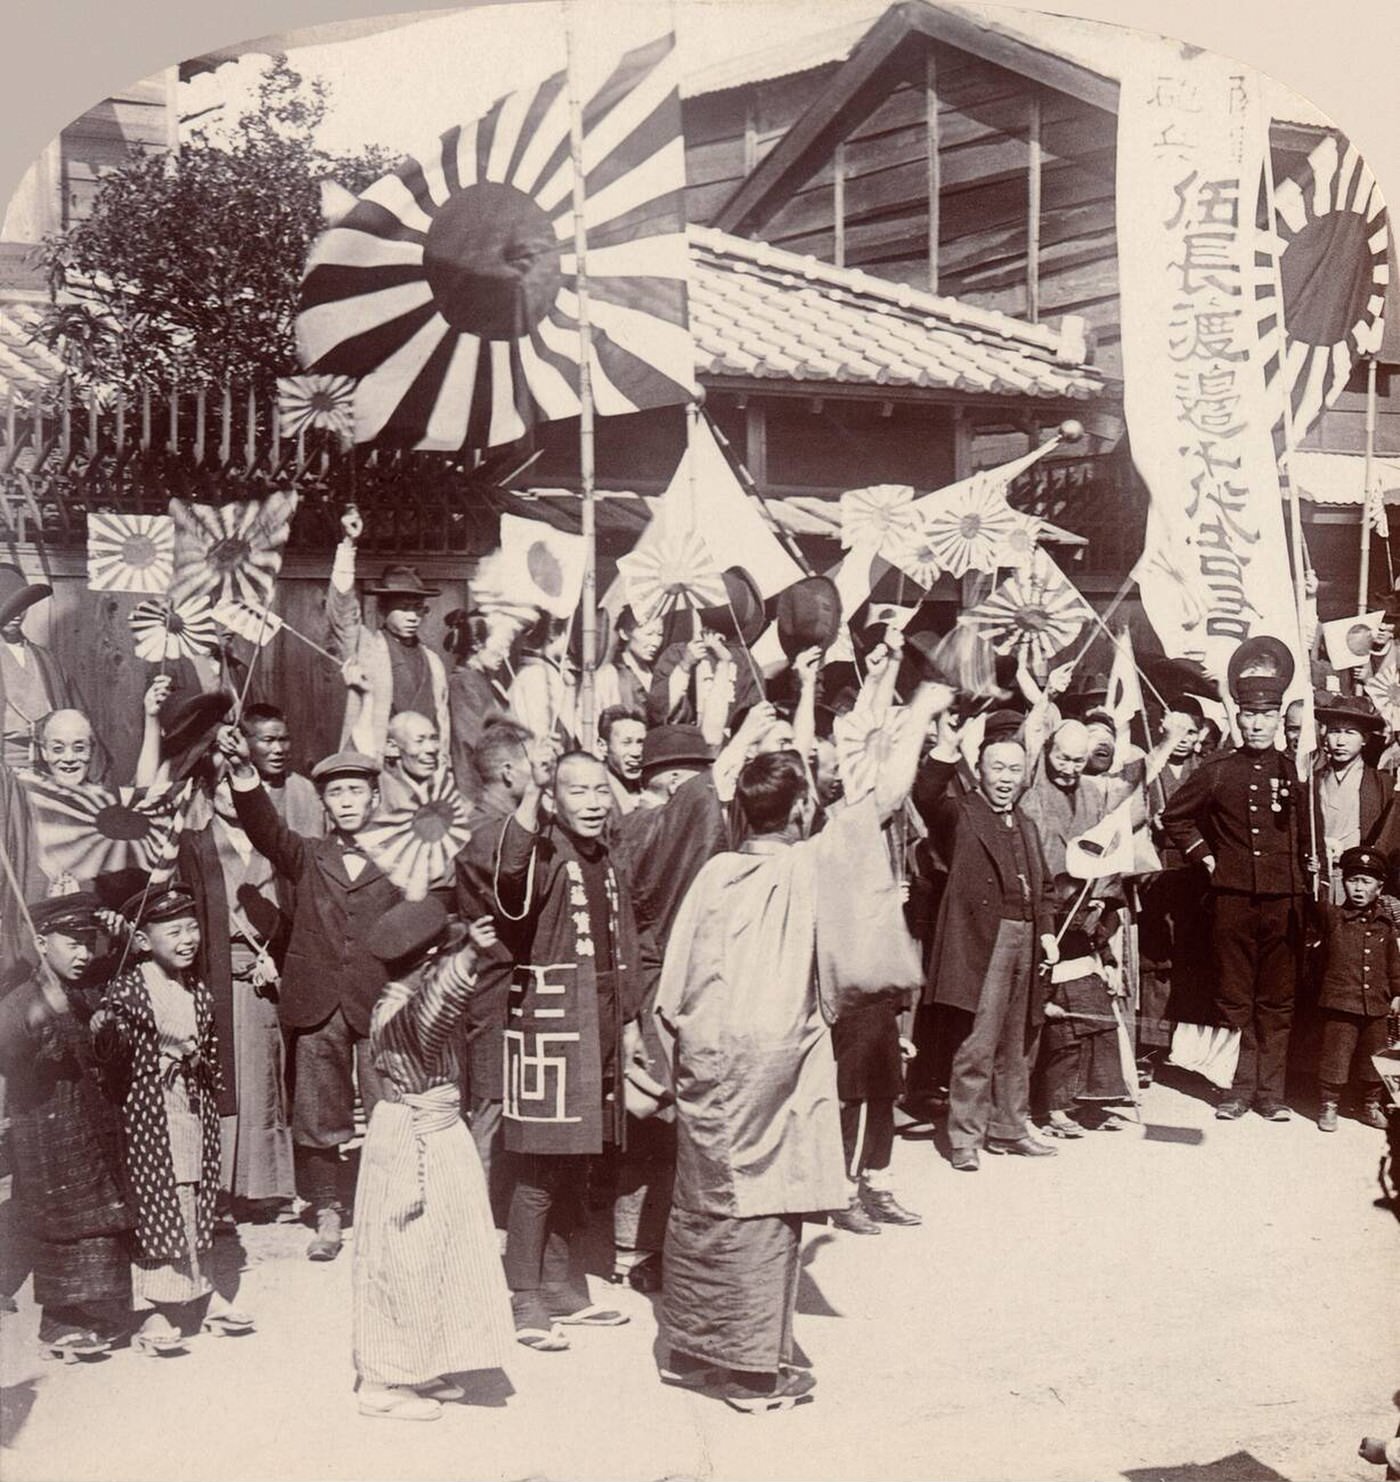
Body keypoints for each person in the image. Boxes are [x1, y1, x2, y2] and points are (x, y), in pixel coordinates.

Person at [655, 681, 947, 1412]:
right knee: (765, 1206)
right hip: (773, 1063)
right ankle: (754, 1372)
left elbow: (671, 987)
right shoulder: (809, 864)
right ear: (797, 811)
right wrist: (919, 713)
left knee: (703, 1200)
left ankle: (694, 1350)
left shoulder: (715, 872)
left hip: (702, 1057)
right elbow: (881, 799)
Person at [457, 748, 644, 1349]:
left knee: (575, 1161)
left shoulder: (606, 856)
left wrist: (631, 1022)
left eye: (600, 791)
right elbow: (509, 874)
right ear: (556, 799)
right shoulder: (540, 850)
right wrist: (532, 796)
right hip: (550, 1026)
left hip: (601, 1023)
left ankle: (562, 1288)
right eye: (578, 792)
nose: (592, 803)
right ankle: (524, 1296)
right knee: (538, 1167)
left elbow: (627, 942)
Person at [220, 735, 401, 1260]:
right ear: (324, 802)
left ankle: (383, 1210)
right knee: (319, 1115)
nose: (346, 801)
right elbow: (264, 828)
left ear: (374, 798)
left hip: (379, 1004)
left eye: (356, 791)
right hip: (317, 1003)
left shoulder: (399, 858)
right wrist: (244, 771)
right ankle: (327, 1213)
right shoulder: (306, 854)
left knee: (388, 1110)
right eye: (337, 793)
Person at [351, 898, 513, 1422]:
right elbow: (438, 1007)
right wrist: (468, 953)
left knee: (439, 1253)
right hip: (412, 1138)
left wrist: (461, 947)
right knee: (404, 1257)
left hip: (436, 1132)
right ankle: (381, 1380)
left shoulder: (404, 994)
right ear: (428, 962)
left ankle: (419, 1364)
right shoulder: (402, 1008)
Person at [94, 882, 255, 1354]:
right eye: (173, 931)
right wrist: (108, 1029)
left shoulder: (196, 990)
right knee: (156, 1203)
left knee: (193, 1194)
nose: (187, 939)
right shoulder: (126, 990)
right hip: (147, 1112)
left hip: (189, 1108)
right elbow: (111, 1054)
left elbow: (206, 1052)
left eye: (191, 928)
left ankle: (199, 1295)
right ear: (143, 941)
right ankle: (153, 1311)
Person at [1161, 663, 1310, 1121]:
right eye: (1249, 713)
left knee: (1277, 1000)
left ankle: (1271, 1093)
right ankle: (1237, 1089)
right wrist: (1206, 857)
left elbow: (1310, 833)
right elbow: (1175, 817)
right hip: (1232, 898)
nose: (1258, 723)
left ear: (1278, 715)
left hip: (1285, 898)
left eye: (1267, 714)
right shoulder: (1219, 770)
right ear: (1238, 717)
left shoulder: (1296, 770)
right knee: (1234, 996)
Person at [914, 714, 1055, 1172]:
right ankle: (965, 1140)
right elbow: (927, 795)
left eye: (1015, 770)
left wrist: (1048, 934)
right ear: (980, 769)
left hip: (1027, 936)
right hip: (985, 941)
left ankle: (1010, 1128)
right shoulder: (962, 812)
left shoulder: (1029, 825)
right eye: (997, 768)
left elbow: (1045, 887)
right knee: (977, 1043)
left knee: (1019, 1041)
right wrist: (944, 750)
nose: (1006, 779)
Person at [0, 894, 133, 1360]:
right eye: (71, 943)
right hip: (46, 1130)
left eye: (87, 943)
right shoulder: (21, 997)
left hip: (93, 1124)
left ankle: (98, 1311)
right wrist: (42, 1014)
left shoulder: (88, 989)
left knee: (101, 1216)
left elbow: (107, 1059)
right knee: (61, 1225)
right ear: (40, 942)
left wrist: (105, 1033)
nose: (83, 953)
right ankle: (58, 1323)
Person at [454, 719, 546, 1226]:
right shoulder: (487, 831)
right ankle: (473, 1221)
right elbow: (516, 888)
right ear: (511, 771)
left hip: (508, 985)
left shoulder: (500, 823)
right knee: (491, 1106)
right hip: (494, 988)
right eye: (534, 762)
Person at [328, 507, 449, 763]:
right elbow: (342, 610)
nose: (412, 616)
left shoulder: (433, 661)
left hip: (424, 768)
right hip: (381, 763)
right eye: (404, 608)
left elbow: (442, 722)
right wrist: (348, 545)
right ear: (383, 609)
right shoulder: (365, 648)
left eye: (418, 609)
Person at [1313, 847, 1400, 1132]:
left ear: (1379, 888)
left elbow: (1394, 963)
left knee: (1373, 1057)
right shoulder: (1333, 918)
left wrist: (1397, 993)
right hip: (1340, 1001)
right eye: (1352, 880)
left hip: (1376, 1002)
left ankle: (1369, 1105)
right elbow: (1314, 903)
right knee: (1335, 1056)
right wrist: (1312, 876)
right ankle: (1329, 1105)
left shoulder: (1386, 926)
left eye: (1366, 882)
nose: (1358, 888)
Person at [0, 565, 97, 773]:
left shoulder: (47, 660)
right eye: (8, 606)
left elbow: (75, 715)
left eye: (22, 606)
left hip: (48, 765)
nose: (16, 614)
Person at [1314, 693, 1393, 900]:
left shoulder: (1382, 784)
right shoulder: (1312, 781)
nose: (1340, 741)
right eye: (1334, 732)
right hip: (1316, 873)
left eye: (1350, 733)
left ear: (1365, 739)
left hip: (1358, 878)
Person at [445, 609, 519, 793]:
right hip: (480, 790)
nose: (506, 654)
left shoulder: (484, 681)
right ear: (477, 645)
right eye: (501, 646)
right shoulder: (463, 683)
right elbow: (466, 747)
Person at [508, 613, 577, 746]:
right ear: (553, 636)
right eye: (566, 634)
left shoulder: (534, 671)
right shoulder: (537, 675)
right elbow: (543, 731)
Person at [597, 607, 664, 715]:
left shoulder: (656, 672)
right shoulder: (609, 674)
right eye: (649, 634)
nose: (655, 642)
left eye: (660, 634)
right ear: (624, 633)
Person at [598, 705, 646, 815]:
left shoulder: (650, 786)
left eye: (640, 742)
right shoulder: (595, 791)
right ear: (603, 746)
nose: (636, 752)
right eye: (626, 743)